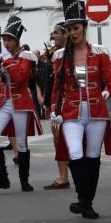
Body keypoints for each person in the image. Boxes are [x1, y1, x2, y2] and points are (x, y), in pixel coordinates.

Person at [50, 0, 111, 219]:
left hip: (97, 112)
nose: (72, 33)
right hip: (71, 112)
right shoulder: (61, 57)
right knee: (75, 153)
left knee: (93, 157)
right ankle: (83, 198)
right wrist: (54, 108)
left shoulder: (101, 54)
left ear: (84, 27)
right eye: (69, 29)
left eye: (76, 28)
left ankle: (86, 203)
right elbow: (57, 87)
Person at [0, 10, 43, 192]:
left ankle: (24, 181)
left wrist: (8, 62)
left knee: (22, 143)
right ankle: (2, 178)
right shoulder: (4, 58)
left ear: (16, 40)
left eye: (9, 40)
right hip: (3, 104)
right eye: (4, 40)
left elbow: (19, 79)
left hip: (20, 103)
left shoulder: (26, 57)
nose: (6, 43)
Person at [42, 22, 71, 190]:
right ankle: (63, 177)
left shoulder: (73, 54)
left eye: (56, 33)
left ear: (66, 34)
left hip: (71, 101)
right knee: (57, 139)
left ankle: (74, 172)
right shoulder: (53, 55)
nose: (53, 36)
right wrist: (47, 103)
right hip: (56, 102)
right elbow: (50, 81)